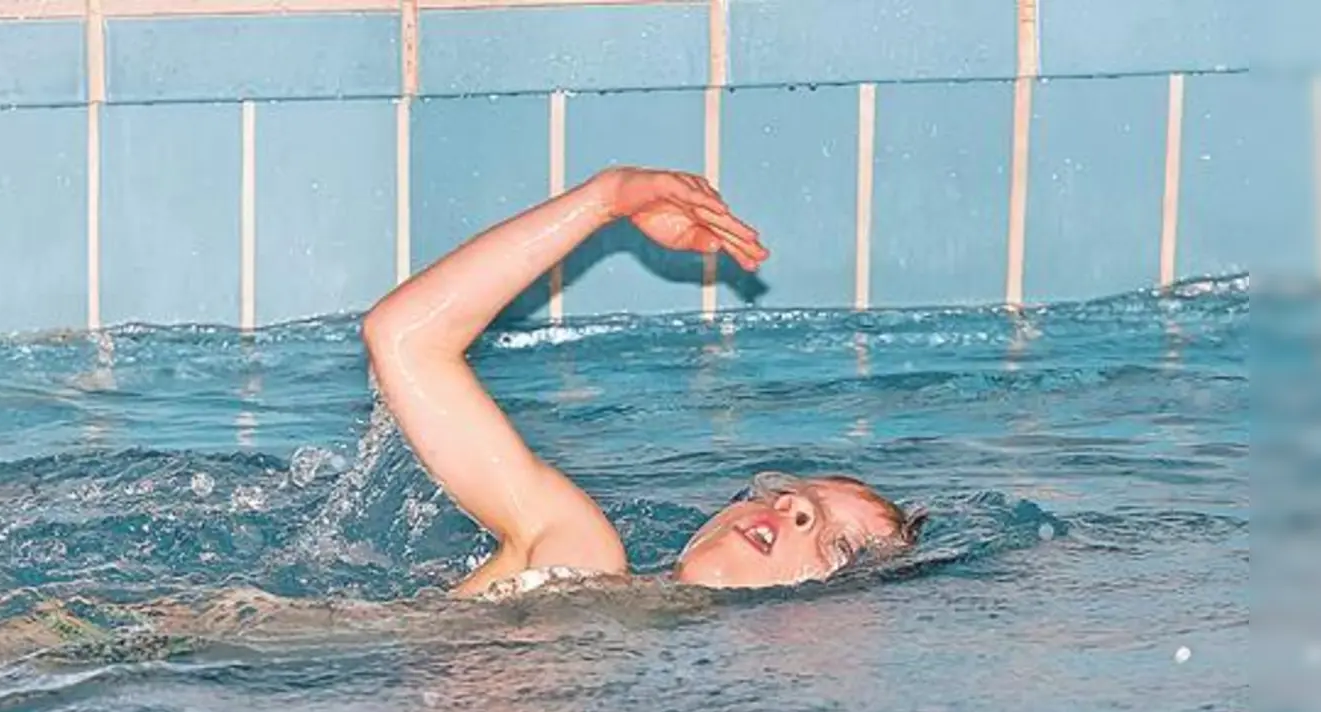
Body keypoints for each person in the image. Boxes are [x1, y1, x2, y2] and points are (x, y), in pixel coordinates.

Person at [363, 166, 925, 598]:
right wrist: (603, 200)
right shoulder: (581, 563)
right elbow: (406, 338)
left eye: (841, 545)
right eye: (793, 491)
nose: (795, 506)